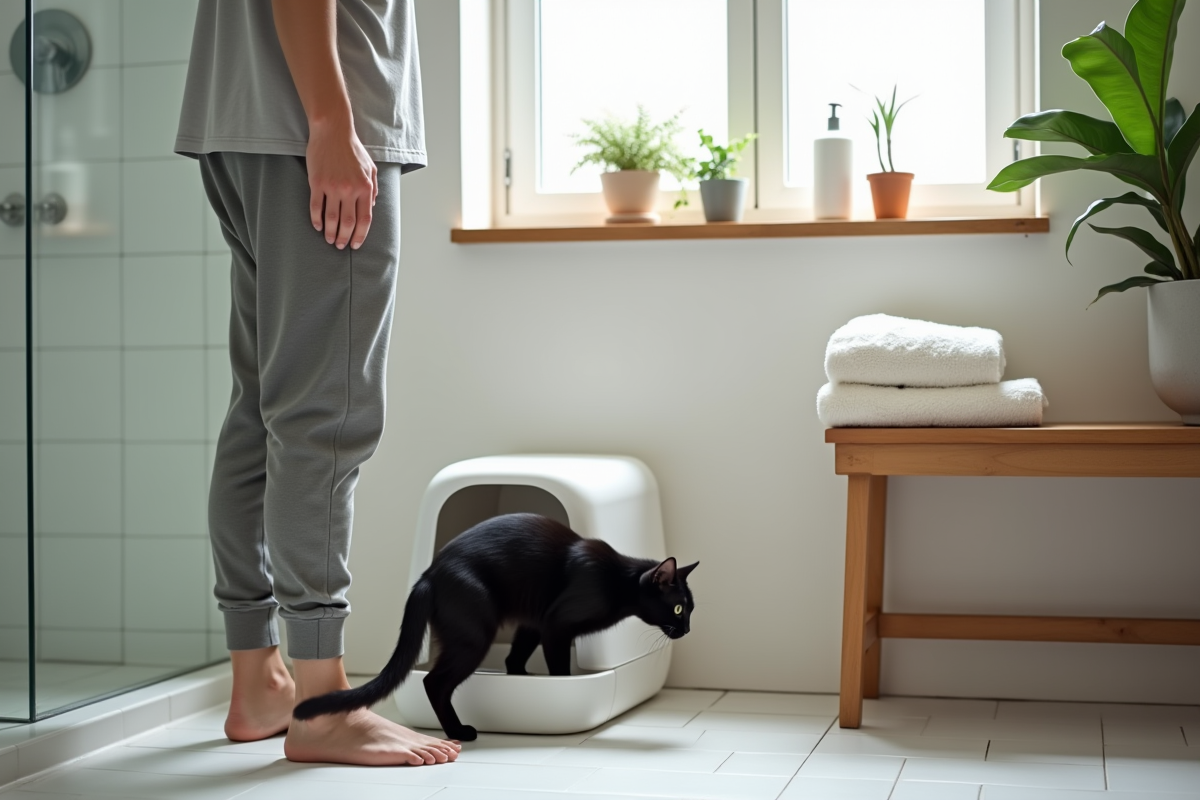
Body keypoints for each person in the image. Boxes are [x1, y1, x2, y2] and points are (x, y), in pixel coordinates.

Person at [175, 0, 459, 766]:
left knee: (263, 412)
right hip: (319, 123)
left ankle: (259, 678)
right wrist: (333, 120)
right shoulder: (327, 122)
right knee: (324, 417)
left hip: (250, 119)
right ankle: (323, 700)